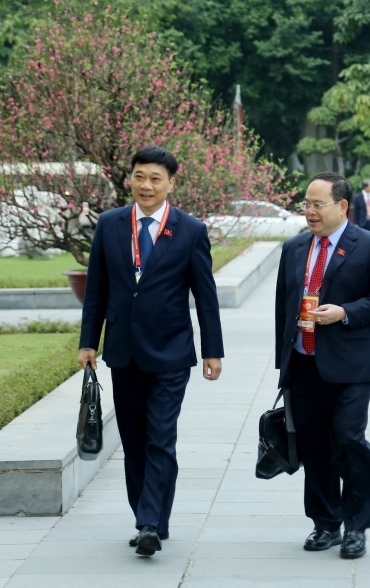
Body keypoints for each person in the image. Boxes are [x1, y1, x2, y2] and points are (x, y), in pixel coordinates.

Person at [77, 146, 224, 557]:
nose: (146, 185)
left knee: (161, 435)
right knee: (135, 440)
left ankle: (148, 523)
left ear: (170, 184)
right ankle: (151, 518)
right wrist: (88, 342)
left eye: (155, 178)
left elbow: (205, 295)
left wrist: (212, 350)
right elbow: (97, 289)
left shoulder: (190, 230)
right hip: (123, 351)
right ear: (131, 179)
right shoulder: (109, 224)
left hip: (171, 352)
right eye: (139, 176)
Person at [274, 172, 370, 560]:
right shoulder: (295, 247)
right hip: (304, 361)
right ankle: (325, 523)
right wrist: (283, 363)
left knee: (348, 438)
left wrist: (345, 312)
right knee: (313, 444)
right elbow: (283, 306)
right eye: (306, 204)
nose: (310, 211)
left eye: (318, 204)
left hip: (352, 364)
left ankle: (356, 526)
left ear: (342, 206)